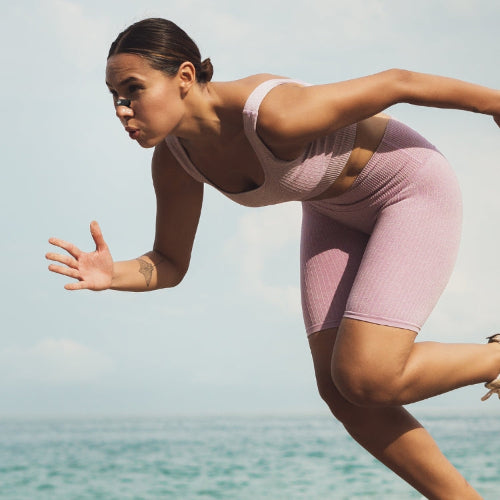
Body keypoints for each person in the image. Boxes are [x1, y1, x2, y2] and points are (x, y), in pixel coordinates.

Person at [46, 18, 500, 499]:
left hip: (408, 190)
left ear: (183, 77)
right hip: (333, 213)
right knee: (340, 393)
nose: (121, 108)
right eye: (113, 95)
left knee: (368, 376)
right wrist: (109, 274)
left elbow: (398, 83)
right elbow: (169, 262)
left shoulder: (273, 114)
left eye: (132, 89)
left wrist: (495, 103)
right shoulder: (176, 160)